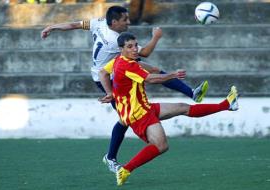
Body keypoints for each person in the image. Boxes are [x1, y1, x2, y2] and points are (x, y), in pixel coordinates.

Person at [41, 6, 209, 173]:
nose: (128, 22)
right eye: (125, 20)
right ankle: (111, 157)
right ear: (114, 22)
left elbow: (74, 25)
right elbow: (145, 52)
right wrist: (156, 37)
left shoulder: (99, 23)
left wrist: (51, 27)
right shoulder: (116, 40)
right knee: (125, 118)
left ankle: (192, 93)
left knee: (155, 71)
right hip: (109, 77)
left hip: (115, 67)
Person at [98, 32, 239, 186]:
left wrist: (110, 93)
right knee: (161, 145)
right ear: (121, 49)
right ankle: (125, 170)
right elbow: (151, 79)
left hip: (144, 107)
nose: (134, 49)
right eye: (129, 47)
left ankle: (227, 104)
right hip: (139, 115)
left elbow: (103, 72)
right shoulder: (128, 65)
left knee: (182, 108)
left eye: (136, 45)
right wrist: (172, 75)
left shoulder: (117, 60)